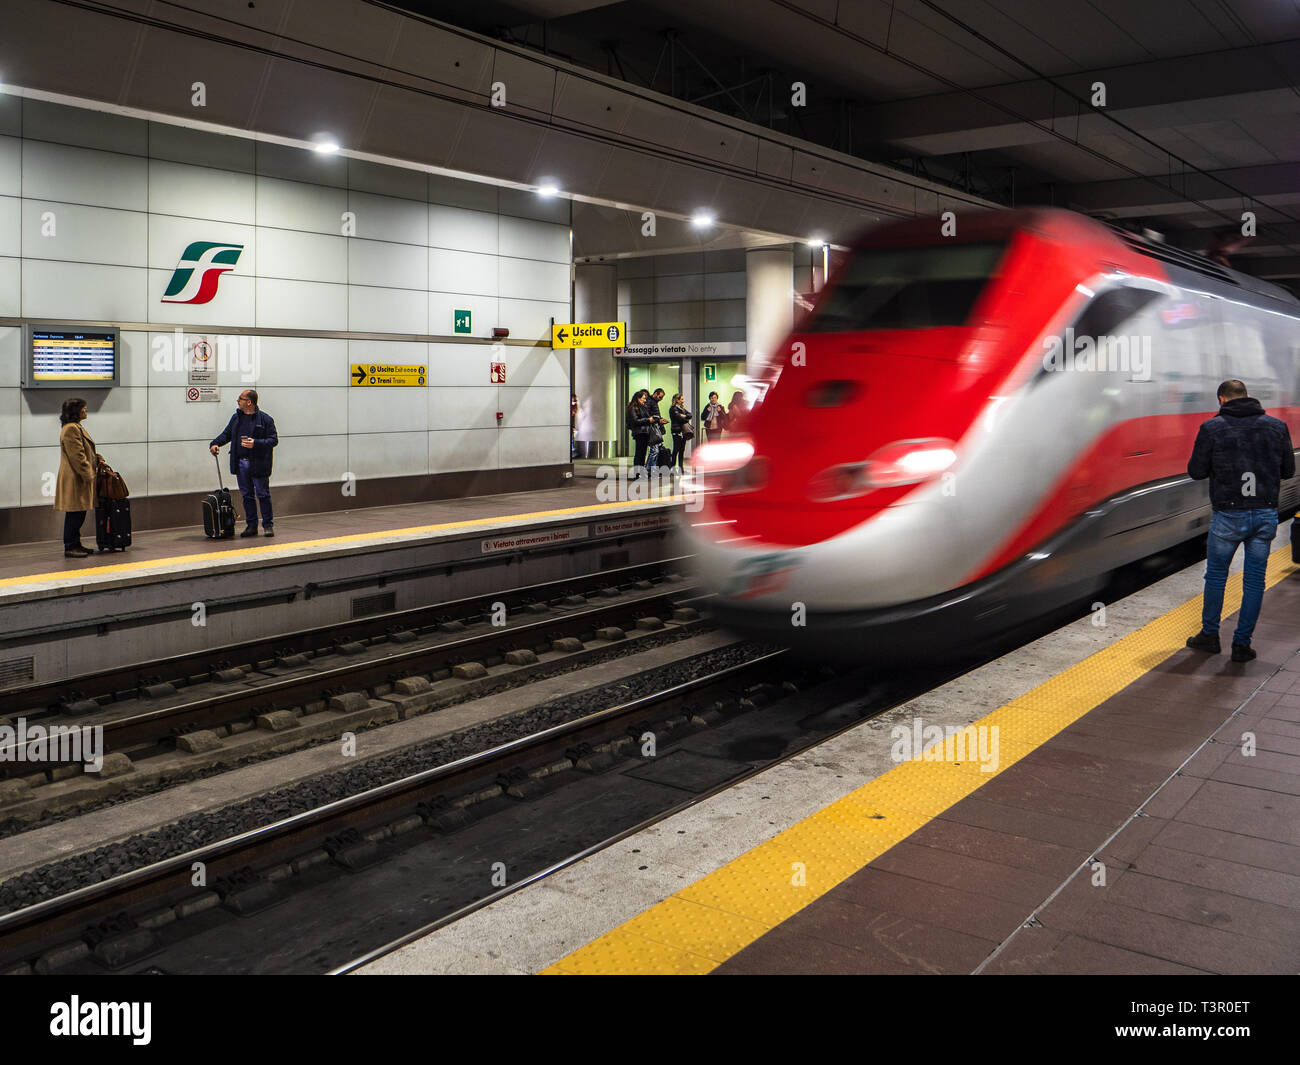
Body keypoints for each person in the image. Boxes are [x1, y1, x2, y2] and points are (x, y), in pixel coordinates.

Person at [1185, 379, 1295, 662]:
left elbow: (1196, 471)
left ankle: (1209, 636)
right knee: (1255, 581)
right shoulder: (1277, 427)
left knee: (1217, 576)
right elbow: (1287, 471)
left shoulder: (1212, 428)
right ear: (1248, 396)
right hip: (1264, 513)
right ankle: (1242, 644)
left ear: (1222, 399)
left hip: (1228, 514)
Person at [210, 389, 279, 537]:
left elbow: (273, 440)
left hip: (259, 464)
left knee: (263, 494)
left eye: (240, 399)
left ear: (249, 402)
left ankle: (268, 525)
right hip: (241, 464)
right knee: (247, 495)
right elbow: (227, 434)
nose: (238, 401)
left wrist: (256, 443)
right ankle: (251, 526)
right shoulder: (236, 418)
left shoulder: (265, 419)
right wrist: (215, 443)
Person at [55, 397, 96, 559]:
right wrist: (88, 474)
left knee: (79, 513)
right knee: (75, 514)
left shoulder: (75, 427)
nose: (86, 411)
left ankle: (76, 544)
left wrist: (96, 458)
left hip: (77, 478)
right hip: (75, 478)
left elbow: (85, 450)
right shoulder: (71, 429)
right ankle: (70, 546)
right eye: (83, 408)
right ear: (76, 411)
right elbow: (77, 456)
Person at [627, 389, 653, 477]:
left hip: (645, 432)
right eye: (643, 398)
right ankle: (637, 473)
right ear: (638, 398)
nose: (645, 400)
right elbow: (635, 421)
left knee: (643, 453)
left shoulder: (643, 407)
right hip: (639, 433)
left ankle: (641, 472)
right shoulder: (632, 407)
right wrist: (648, 420)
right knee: (639, 453)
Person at [669, 393, 692, 473]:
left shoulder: (682, 409)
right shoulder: (673, 409)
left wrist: (684, 416)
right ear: (677, 400)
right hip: (676, 431)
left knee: (682, 450)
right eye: (681, 399)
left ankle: (681, 467)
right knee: (676, 450)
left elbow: (690, 415)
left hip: (683, 432)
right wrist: (684, 417)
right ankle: (672, 468)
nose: (683, 401)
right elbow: (679, 419)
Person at [646, 387, 669, 470]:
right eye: (660, 397)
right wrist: (659, 420)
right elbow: (650, 415)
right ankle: (649, 469)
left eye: (662, 398)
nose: (661, 399)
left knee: (655, 451)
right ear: (655, 393)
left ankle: (650, 469)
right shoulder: (650, 402)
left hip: (655, 428)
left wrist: (660, 420)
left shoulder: (654, 402)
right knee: (654, 451)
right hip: (652, 430)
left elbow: (655, 415)